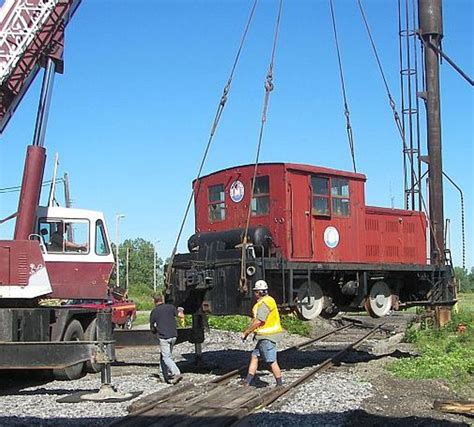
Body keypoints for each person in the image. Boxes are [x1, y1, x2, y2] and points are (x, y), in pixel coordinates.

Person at [241, 279, 284, 387]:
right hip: (264, 337)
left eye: (256, 291)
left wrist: (247, 332)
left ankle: (279, 385)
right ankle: (248, 381)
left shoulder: (265, 303)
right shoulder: (268, 301)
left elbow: (259, 321)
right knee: (255, 356)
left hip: (267, 337)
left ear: (259, 292)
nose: (254, 293)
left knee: (271, 361)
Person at [149, 294, 185, 384]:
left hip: (164, 337)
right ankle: (163, 375)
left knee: (166, 357)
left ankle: (176, 373)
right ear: (162, 300)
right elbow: (181, 316)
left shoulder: (154, 312)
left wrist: (155, 332)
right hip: (173, 336)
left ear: (154, 301)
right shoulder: (171, 307)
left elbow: (152, 327)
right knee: (165, 356)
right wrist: (181, 310)